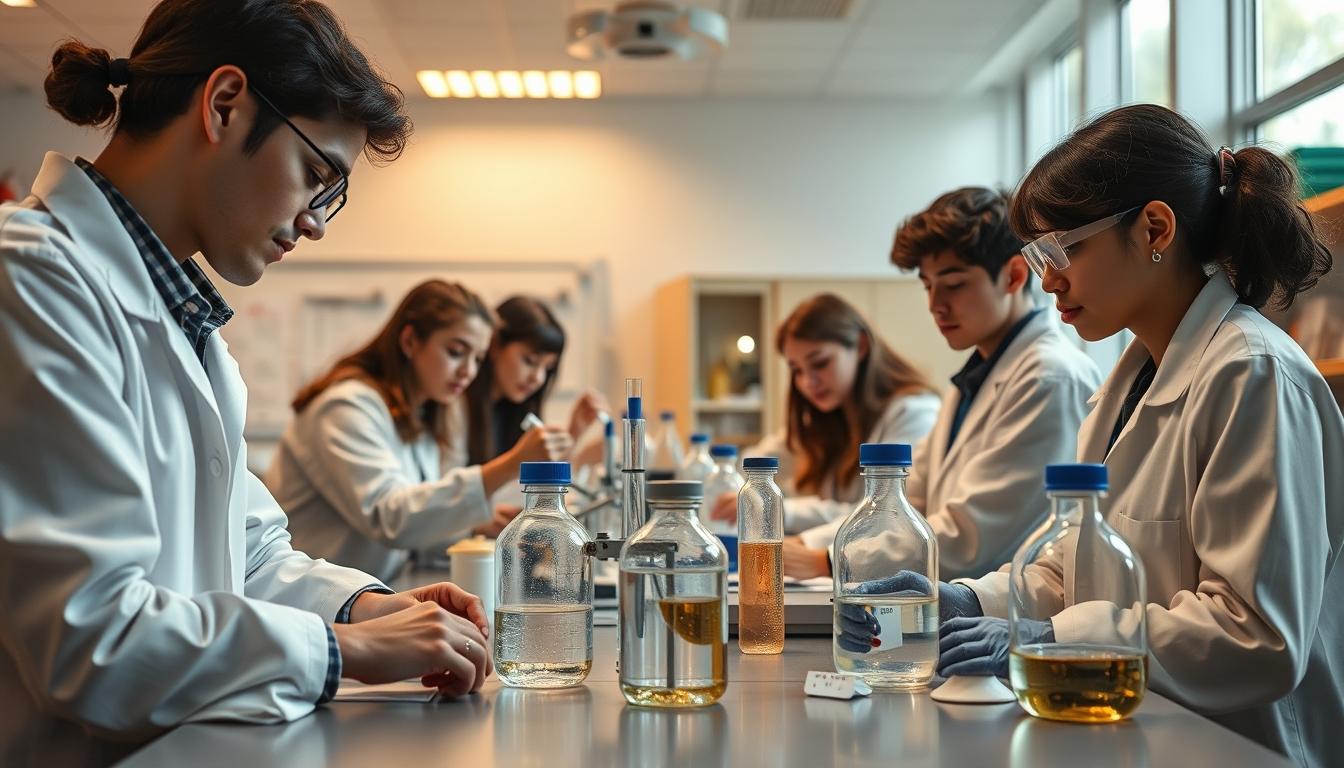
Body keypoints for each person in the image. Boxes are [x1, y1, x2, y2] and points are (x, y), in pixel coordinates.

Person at [0, 2, 487, 762]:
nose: (318, 222)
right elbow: (91, 639)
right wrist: (343, 651)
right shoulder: (29, 279)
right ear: (224, 104)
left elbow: (248, 555)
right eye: (317, 174)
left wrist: (367, 605)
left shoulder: (190, 327)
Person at [934, 105, 1339, 768]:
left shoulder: (1252, 375)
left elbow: (1256, 635)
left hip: (1244, 747)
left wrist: (1054, 637)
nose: (1047, 279)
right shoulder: (1126, 383)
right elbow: (1072, 571)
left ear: (1154, 228)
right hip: (1141, 731)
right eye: (1037, 254)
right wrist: (968, 599)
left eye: (1061, 249)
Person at [782, 188, 1101, 581]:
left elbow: (973, 533)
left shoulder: (1049, 377)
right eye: (928, 285)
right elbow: (907, 504)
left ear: (1014, 276)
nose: (935, 304)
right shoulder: (972, 381)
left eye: (953, 285)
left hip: (1008, 616)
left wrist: (831, 560)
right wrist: (812, 545)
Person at [268, 282, 573, 582]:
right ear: (411, 341)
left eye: (478, 359)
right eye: (456, 352)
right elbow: (392, 518)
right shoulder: (345, 406)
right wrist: (510, 463)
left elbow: (414, 530)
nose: (468, 372)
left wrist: (473, 528)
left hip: (365, 590)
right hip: (312, 600)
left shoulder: (420, 415)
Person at [707, 293, 941, 551]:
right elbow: (753, 463)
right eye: (797, 370)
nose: (808, 381)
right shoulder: (827, 419)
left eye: (820, 363)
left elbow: (884, 515)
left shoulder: (914, 412)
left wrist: (783, 510)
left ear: (861, 346)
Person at [463, 295, 608, 473]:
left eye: (547, 368)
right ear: (495, 345)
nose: (538, 378)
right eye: (529, 361)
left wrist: (574, 434)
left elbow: (531, 485)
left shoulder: (513, 411)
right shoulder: (458, 409)